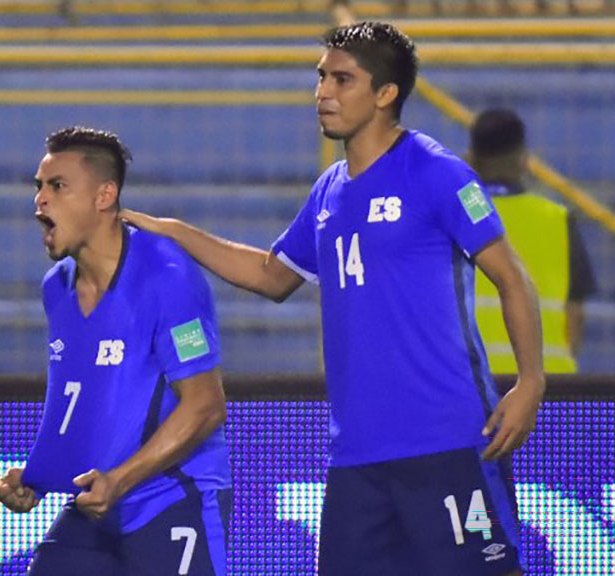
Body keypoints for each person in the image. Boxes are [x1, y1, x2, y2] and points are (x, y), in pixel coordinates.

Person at [122, 22, 544, 576]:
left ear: (385, 94)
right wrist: (176, 231)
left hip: (447, 439)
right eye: (321, 77)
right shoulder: (330, 189)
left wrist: (531, 381)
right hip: (356, 457)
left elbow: (512, 277)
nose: (323, 91)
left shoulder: (436, 171)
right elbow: (274, 276)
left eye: (342, 79)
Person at [0, 126, 232, 575]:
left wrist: (119, 481)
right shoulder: (56, 289)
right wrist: (38, 477)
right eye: (38, 187)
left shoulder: (167, 276)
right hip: (97, 502)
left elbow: (204, 407)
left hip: (172, 500)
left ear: (105, 196)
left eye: (57, 186)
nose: (40, 200)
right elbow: (85, 401)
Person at [469, 108, 597, 373]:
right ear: (524, 160)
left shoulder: (460, 216)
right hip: (548, 385)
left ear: (471, 160)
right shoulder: (557, 218)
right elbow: (574, 318)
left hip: (474, 385)